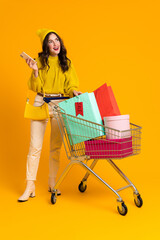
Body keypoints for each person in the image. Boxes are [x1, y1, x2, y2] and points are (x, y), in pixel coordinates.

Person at [18, 28, 82, 202]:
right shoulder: (38, 61)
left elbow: (71, 85)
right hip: (41, 102)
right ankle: (30, 185)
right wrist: (35, 71)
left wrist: (74, 91)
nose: (55, 44)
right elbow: (35, 87)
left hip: (60, 104)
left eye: (57, 40)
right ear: (46, 46)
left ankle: (53, 182)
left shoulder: (66, 62)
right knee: (35, 146)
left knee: (55, 147)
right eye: (51, 41)